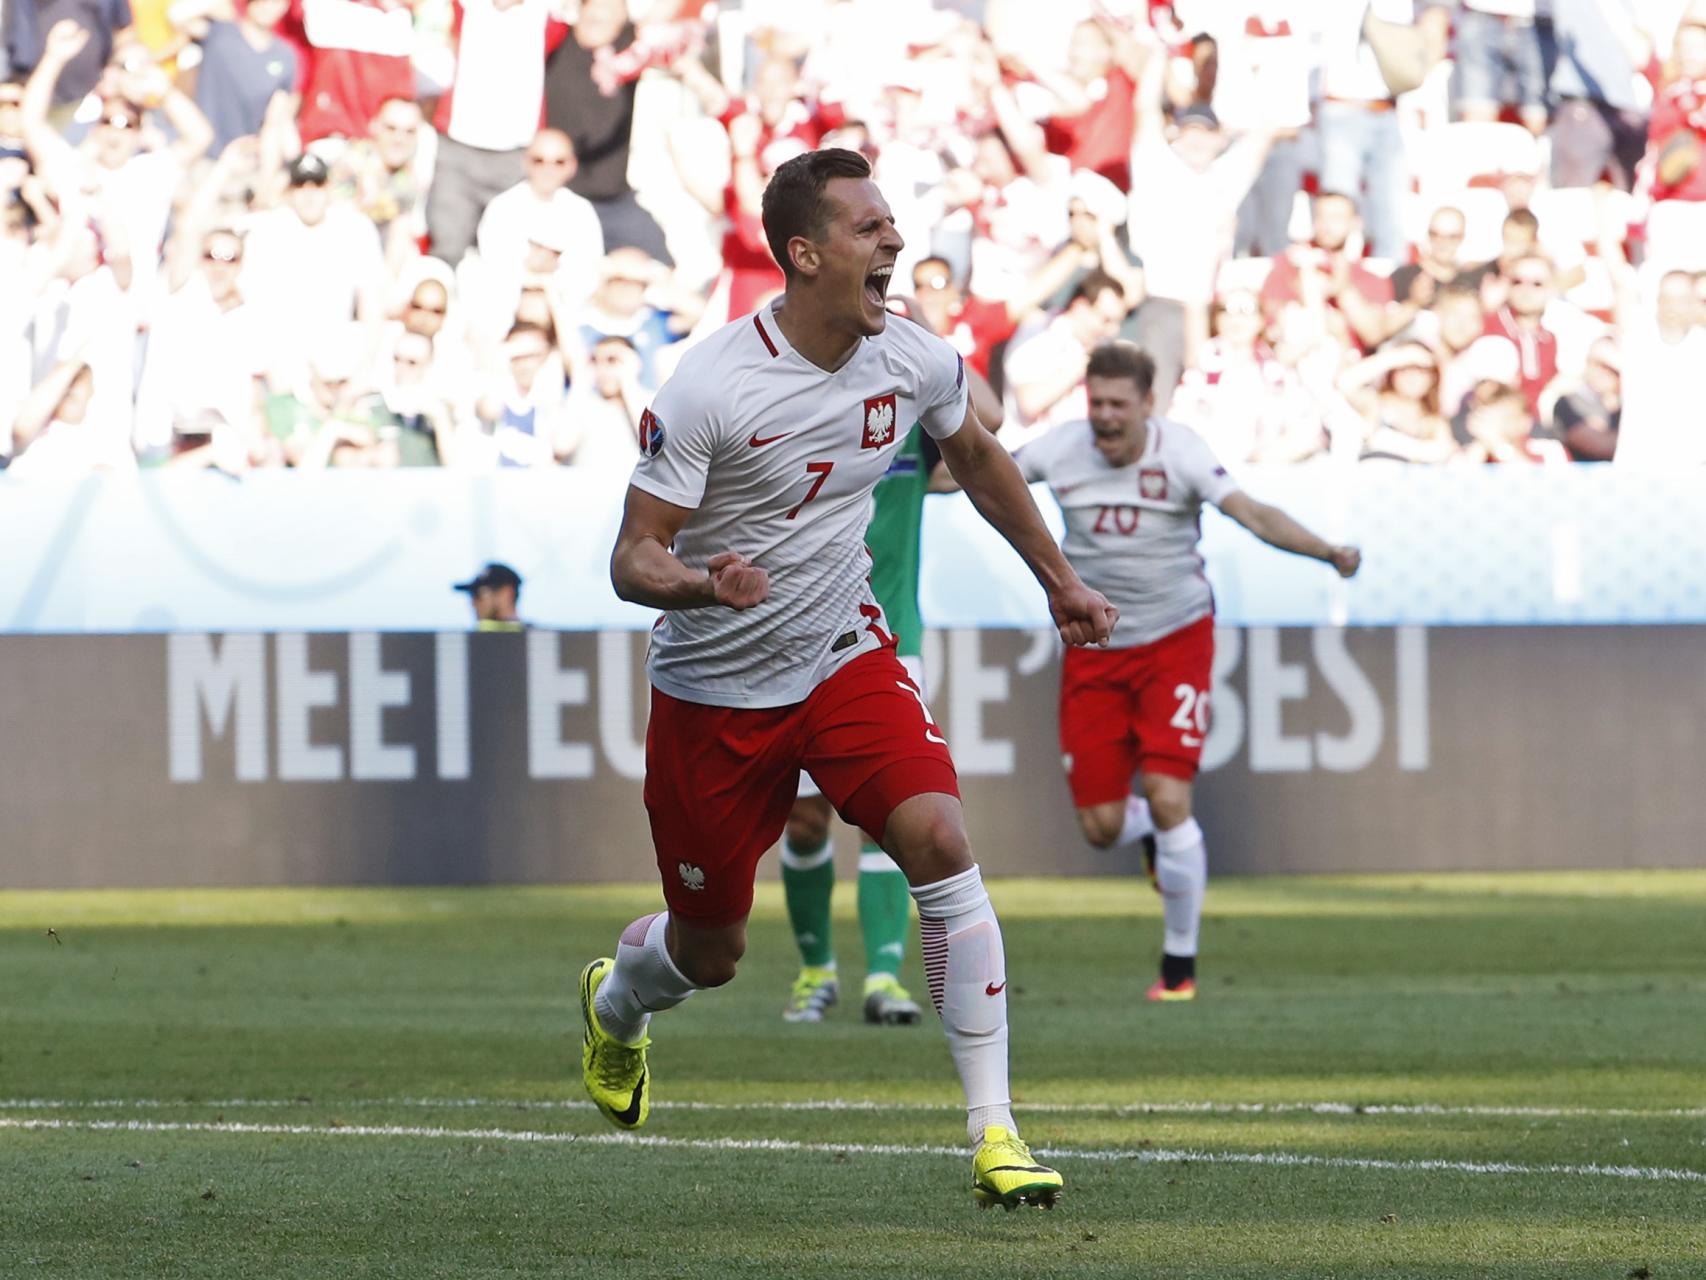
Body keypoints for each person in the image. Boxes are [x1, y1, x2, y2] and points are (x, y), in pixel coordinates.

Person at [580, 147, 1116, 1210]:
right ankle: (617, 1006)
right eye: (870, 230)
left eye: (891, 225)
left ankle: (995, 1130)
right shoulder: (709, 387)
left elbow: (979, 456)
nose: (895, 244)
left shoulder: (909, 357)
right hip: (715, 692)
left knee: (939, 840)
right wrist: (698, 584)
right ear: (803, 253)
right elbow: (630, 556)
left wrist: (1058, 576)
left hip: (842, 651)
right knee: (710, 949)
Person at [1015, 341, 1360, 1001]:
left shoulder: (1184, 453)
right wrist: (912, 466)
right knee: (1101, 827)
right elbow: (978, 474)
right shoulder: (1058, 449)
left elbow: (1252, 513)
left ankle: (1179, 968)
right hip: (1094, 649)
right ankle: (1151, 844)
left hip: (1176, 638)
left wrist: (1325, 551)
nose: (1106, 419)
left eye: (1120, 405)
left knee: (1172, 799)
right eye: (1097, 404)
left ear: (1150, 404)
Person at [454, 561, 523, 630]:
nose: (473, 603)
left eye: (478, 595)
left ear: (506, 594)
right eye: (472, 596)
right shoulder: (472, 638)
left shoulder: (531, 637)